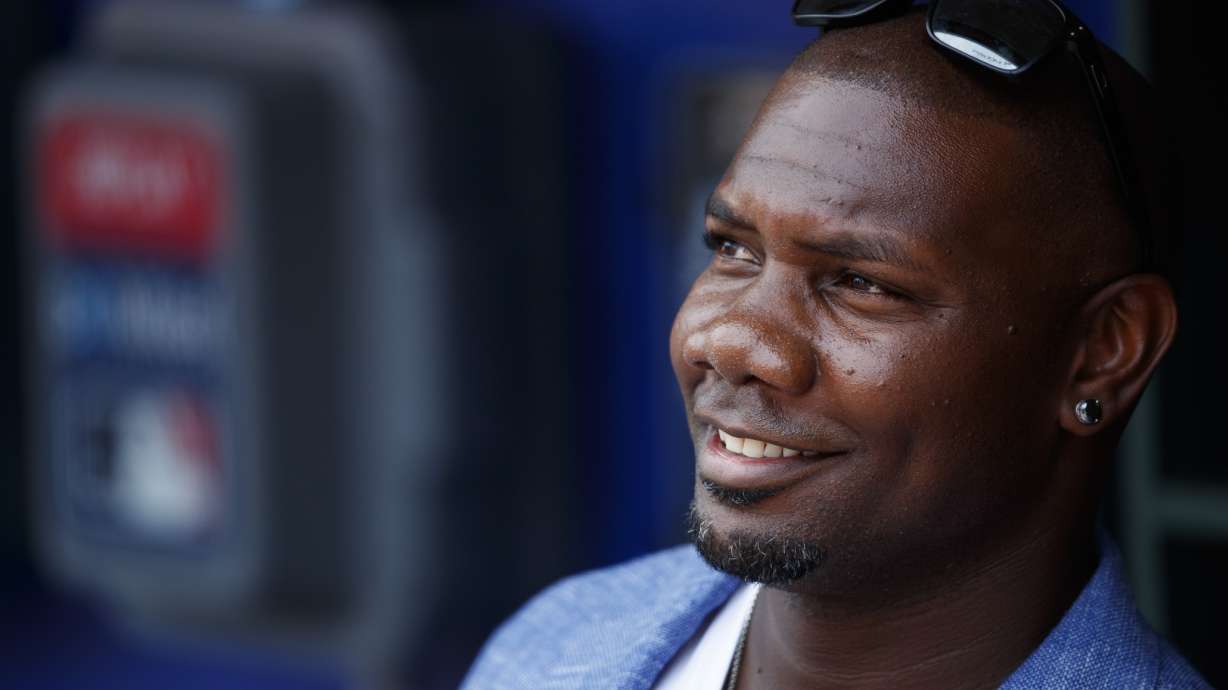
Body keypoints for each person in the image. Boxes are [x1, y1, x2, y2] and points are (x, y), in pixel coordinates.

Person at [462, 5, 1212, 689]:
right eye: (732, 249)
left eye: (861, 282)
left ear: (1103, 352)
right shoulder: (553, 647)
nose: (732, 343)